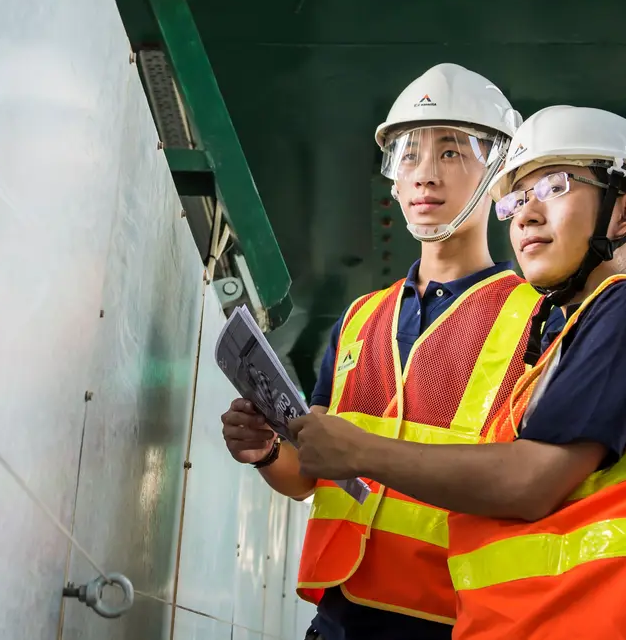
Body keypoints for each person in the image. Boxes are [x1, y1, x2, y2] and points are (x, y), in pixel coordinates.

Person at [289, 105, 626, 640]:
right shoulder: (562, 339)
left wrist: (359, 452)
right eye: (516, 199)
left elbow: (529, 483)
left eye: (556, 187)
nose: (526, 215)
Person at [220, 63, 541, 640]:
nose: (424, 176)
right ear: (392, 182)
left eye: (451, 153)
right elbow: (310, 475)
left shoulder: (536, 320)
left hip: (452, 620)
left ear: (499, 178)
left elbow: (532, 483)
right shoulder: (361, 318)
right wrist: (268, 452)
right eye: (409, 155)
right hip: (338, 620)